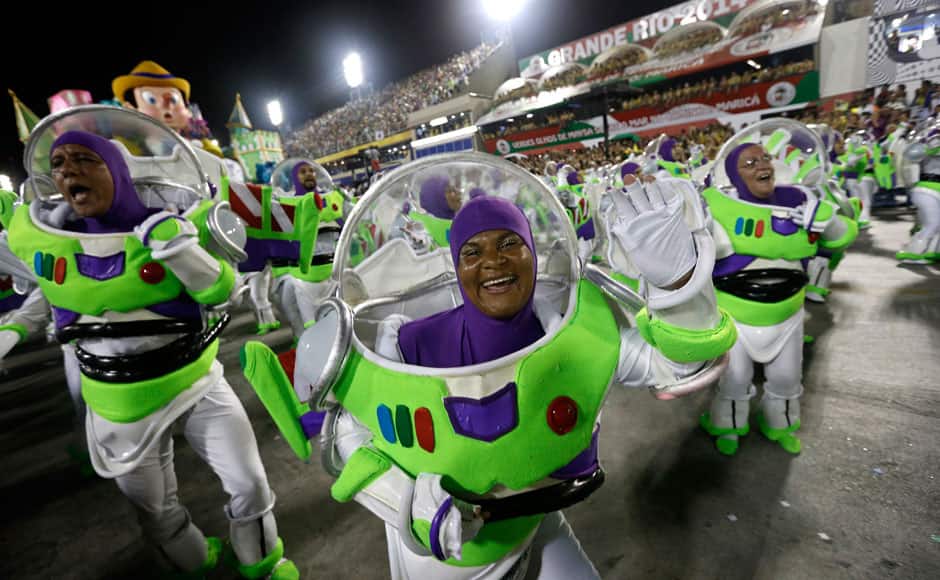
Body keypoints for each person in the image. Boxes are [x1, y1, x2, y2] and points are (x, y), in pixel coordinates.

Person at [271, 159, 736, 579]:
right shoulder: (405, 343)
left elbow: (679, 365)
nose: (492, 260)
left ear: (533, 252)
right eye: (472, 253)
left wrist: (679, 286)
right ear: (456, 267)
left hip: (536, 520)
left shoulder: (577, 335)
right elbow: (348, 436)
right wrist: (409, 501)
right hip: (442, 561)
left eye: (510, 243)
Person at [1, 128, 298, 579]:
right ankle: (194, 560)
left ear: (117, 170)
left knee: (250, 482)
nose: (68, 171)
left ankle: (262, 561)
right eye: (58, 164)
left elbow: (223, 290)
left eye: (84, 158)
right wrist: (11, 331)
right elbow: (42, 300)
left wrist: (179, 249)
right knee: (156, 509)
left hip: (196, 382)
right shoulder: (52, 244)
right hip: (118, 405)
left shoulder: (170, 224)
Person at [700, 137, 858, 456]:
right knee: (735, 378)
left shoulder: (801, 200)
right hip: (735, 314)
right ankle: (726, 425)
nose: (762, 165)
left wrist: (828, 222)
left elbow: (840, 240)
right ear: (732, 175)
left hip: (788, 313)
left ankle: (780, 424)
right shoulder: (714, 206)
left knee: (787, 378)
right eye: (750, 162)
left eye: (765, 158)